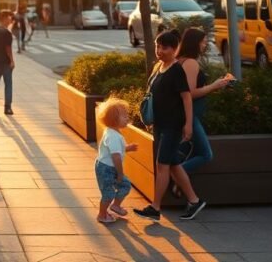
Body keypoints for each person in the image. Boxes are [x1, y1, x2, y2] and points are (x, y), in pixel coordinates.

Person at [133, 30, 206, 223]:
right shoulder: (159, 67)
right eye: (158, 46)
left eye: (164, 47)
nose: (159, 51)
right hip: (160, 124)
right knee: (173, 165)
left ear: (174, 49)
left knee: (162, 165)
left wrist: (188, 125)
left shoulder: (176, 70)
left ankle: (155, 208)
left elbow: (187, 98)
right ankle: (194, 200)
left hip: (173, 126)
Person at [175, 28, 235, 185]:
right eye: (203, 42)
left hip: (187, 114)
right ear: (195, 43)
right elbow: (189, 93)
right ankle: (174, 176)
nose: (204, 45)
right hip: (190, 115)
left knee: (188, 151)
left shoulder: (180, 60)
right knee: (205, 154)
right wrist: (214, 86)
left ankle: (178, 184)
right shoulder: (190, 63)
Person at [95, 98, 138, 223]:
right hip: (106, 169)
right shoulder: (113, 135)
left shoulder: (114, 133)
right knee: (108, 193)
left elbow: (117, 150)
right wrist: (120, 173)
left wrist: (127, 148)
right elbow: (116, 156)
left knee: (125, 185)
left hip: (111, 167)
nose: (127, 118)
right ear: (113, 119)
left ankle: (116, 205)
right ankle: (102, 215)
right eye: (124, 116)